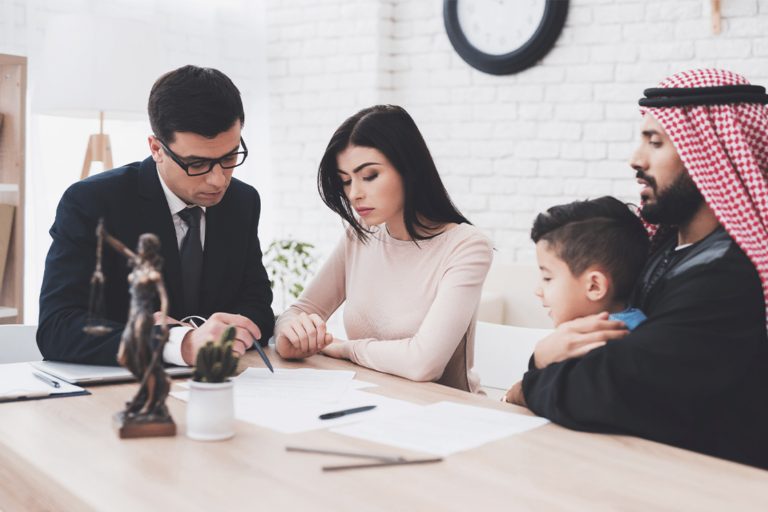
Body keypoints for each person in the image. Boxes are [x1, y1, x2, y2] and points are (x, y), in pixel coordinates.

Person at [505, 69, 768, 470]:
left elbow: (613, 388)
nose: (636, 159)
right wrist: (546, 359)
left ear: (713, 154)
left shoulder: (731, 275)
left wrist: (535, 373)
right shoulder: (661, 246)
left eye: (656, 141)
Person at [38, 65, 274, 367]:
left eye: (229, 157)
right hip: (119, 391)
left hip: (220, 382)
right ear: (156, 148)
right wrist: (179, 343)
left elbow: (256, 308)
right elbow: (58, 327)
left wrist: (221, 335)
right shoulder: (92, 203)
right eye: (197, 163)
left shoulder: (243, 201)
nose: (218, 180)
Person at [274, 105, 493, 393]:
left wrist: (344, 348)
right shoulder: (359, 235)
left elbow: (423, 363)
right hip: (367, 400)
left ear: (410, 169)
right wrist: (289, 336)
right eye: (345, 181)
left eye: (370, 175)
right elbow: (300, 311)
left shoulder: (467, 246)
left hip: (439, 415)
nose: (354, 194)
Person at [531, 196, 649, 331]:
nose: (537, 291)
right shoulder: (640, 325)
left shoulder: (597, 343)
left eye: (547, 278)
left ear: (594, 286)